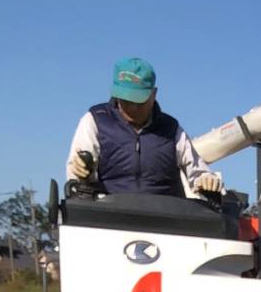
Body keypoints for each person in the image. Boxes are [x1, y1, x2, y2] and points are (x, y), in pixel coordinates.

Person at [66, 58, 222, 197]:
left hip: (165, 220)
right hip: (106, 217)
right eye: (125, 100)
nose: (132, 108)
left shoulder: (171, 129)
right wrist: (82, 171)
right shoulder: (95, 120)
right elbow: (78, 176)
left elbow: (198, 171)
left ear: (153, 94)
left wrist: (206, 180)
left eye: (138, 101)